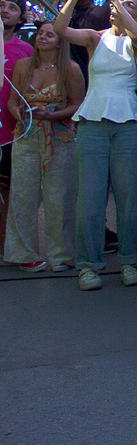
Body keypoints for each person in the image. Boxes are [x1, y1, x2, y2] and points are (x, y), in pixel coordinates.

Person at [53, 0, 137, 291]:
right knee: (90, 198)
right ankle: (88, 265)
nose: (119, 5)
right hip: (93, 122)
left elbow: (136, 35)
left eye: (129, 3)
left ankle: (131, 259)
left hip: (129, 125)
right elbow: (59, 28)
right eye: (117, 2)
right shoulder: (95, 37)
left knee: (130, 195)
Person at [4, 21, 84, 272]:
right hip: (26, 135)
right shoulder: (23, 66)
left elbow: (78, 104)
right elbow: (12, 101)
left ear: (61, 41)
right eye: (40, 33)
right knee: (22, 195)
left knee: (59, 196)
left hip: (59, 137)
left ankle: (61, 255)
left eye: (50, 34)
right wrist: (18, 112)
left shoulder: (70, 69)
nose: (43, 37)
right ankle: (23, 254)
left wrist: (51, 116)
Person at [0, 0, 34, 251]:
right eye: (1, 6)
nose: (5, 11)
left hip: (12, 134)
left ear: (22, 17)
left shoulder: (26, 51)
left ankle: (6, 248)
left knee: (10, 194)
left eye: (12, 7)